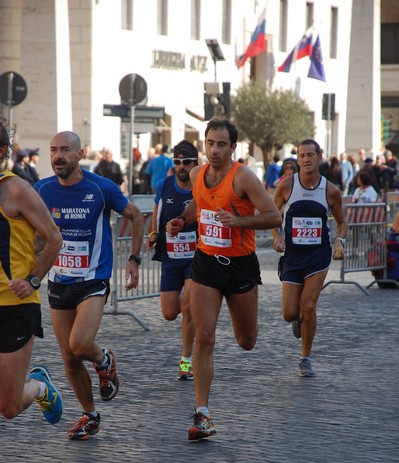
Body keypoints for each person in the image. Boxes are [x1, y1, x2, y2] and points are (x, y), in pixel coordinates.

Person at [166, 118, 282, 440]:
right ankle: (202, 415)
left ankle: (245, 334)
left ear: (233, 147)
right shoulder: (196, 174)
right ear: (204, 144)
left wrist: (239, 221)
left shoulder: (243, 177)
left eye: (221, 144)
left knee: (247, 341)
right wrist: (181, 219)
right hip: (205, 262)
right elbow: (198, 205)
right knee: (205, 337)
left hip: (240, 265)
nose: (214, 150)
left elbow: (274, 216)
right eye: (210, 143)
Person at [34, 131, 145, 440]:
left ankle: (104, 359)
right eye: (53, 149)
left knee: (80, 345)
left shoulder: (100, 187)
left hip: (93, 280)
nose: (58, 155)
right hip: (58, 281)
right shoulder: (40, 189)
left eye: (65, 150)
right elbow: (35, 237)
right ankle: (90, 415)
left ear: (80, 153)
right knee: (68, 358)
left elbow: (135, 216)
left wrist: (134, 259)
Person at [0, 121, 63, 424]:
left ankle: (39, 387)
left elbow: (53, 238)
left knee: (9, 407)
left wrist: (33, 279)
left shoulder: (17, 190)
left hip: (15, 307)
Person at [271, 138, 347, 378]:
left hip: (318, 254)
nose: (305, 159)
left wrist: (339, 241)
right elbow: (271, 216)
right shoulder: (286, 186)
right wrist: (276, 237)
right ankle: (299, 320)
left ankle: (305, 358)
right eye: (301, 155)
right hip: (293, 255)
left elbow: (342, 222)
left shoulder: (330, 190)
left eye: (310, 155)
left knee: (309, 304)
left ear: (319, 157)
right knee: (289, 313)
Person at [146, 140, 199, 380]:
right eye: (177, 162)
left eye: (186, 162)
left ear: (195, 164)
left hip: (196, 258)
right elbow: (157, 215)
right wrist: (153, 234)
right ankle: (197, 310)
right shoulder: (163, 185)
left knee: (187, 307)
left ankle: (186, 360)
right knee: (169, 312)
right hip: (170, 255)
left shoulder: (201, 187)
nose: (181, 166)